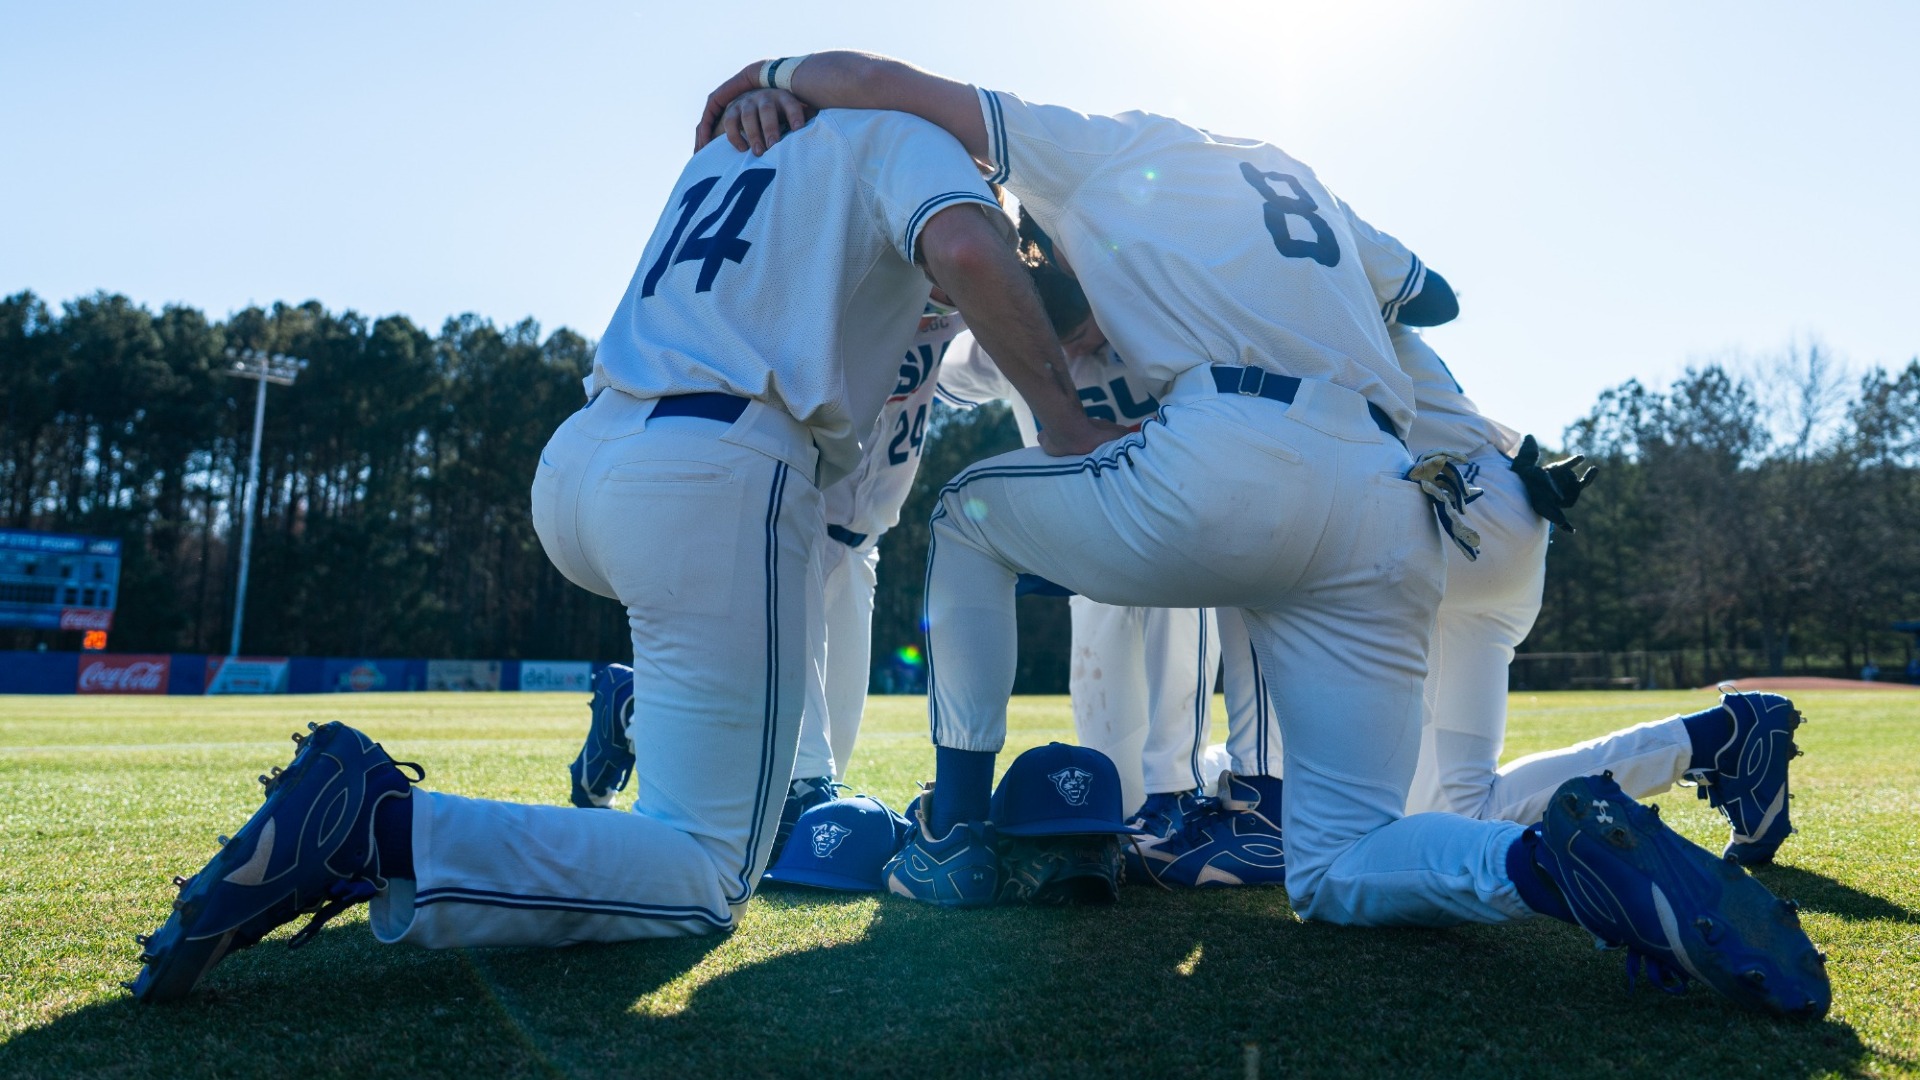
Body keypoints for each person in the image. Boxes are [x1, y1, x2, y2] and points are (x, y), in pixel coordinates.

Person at [698, 51, 1829, 1017]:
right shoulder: (1302, 177)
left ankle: (957, 832)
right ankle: (1553, 864)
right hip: (1396, 493)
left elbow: (893, 86)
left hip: (1238, 448)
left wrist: (771, 77)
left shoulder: (1108, 148)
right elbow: (1430, 295)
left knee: (965, 514)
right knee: (1342, 858)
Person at [128, 97, 1115, 1003]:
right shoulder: (915, 141)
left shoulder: (749, 138)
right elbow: (971, 253)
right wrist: (1067, 421)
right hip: (721, 475)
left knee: (757, 747)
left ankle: (635, 715)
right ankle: (374, 824)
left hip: (590, 457)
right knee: (713, 867)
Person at [936, 251, 1220, 819]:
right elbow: (943, 377)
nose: (1072, 348)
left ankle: (1178, 794)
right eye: (1055, 335)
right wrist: (957, 307)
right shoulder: (1011, 335)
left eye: (1082, 328)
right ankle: (1139, 798)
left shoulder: (1162, 322)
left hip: (1177, 531)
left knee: (1181, 623)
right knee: (1109, 766)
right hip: (1087, 541)